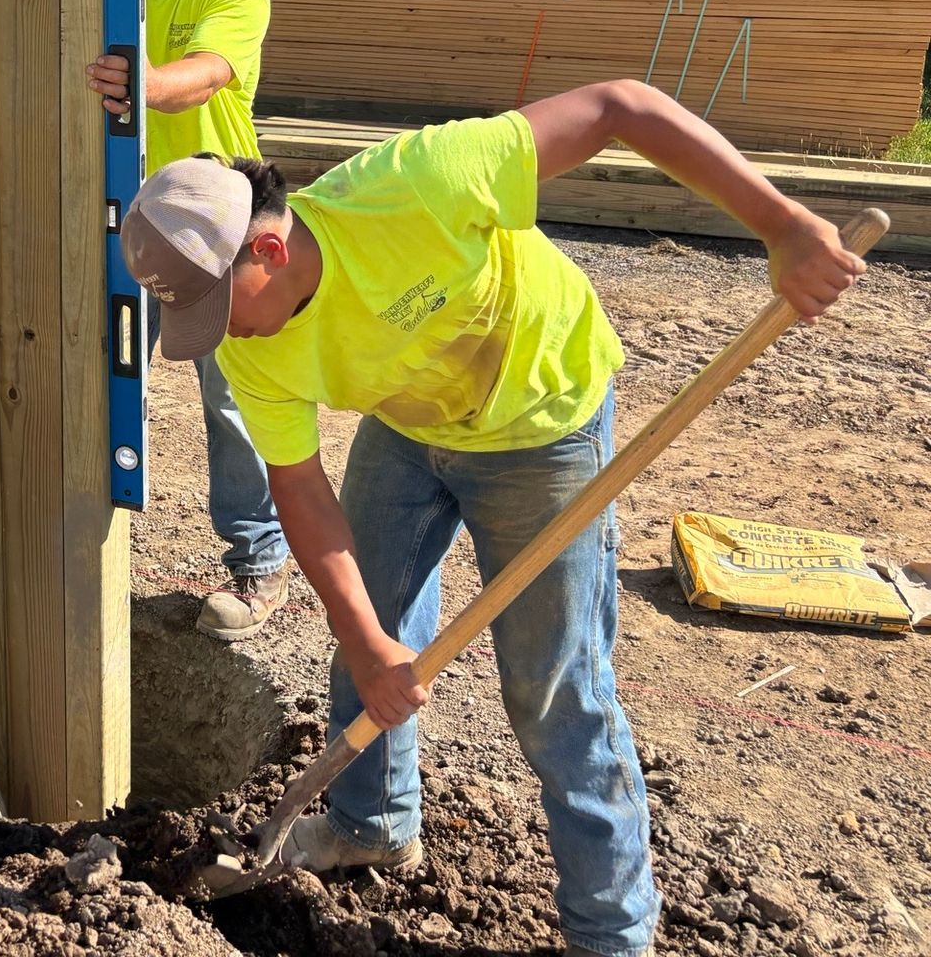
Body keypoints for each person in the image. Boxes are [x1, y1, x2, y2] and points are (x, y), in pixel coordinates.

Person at [118, 79, 865, 957]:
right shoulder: (257, 347)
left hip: (542, 425)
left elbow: (622, 106)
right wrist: (364, 638)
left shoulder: (419, 183)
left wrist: (779, 225)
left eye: (215, 307)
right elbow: (301, 491)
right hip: (409, 427)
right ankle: (372, 823)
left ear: (270, 252)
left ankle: (612, 935)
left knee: (554, 693)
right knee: (370, 634)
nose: (221, 337)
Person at [0, 0, 290, 641]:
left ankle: (258, 561)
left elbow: (203, 76)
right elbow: (35, 30)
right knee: (94, 372)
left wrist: (142, 82)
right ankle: (73, 541)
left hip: (213, 221)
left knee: (231, 397)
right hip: (118, 215)